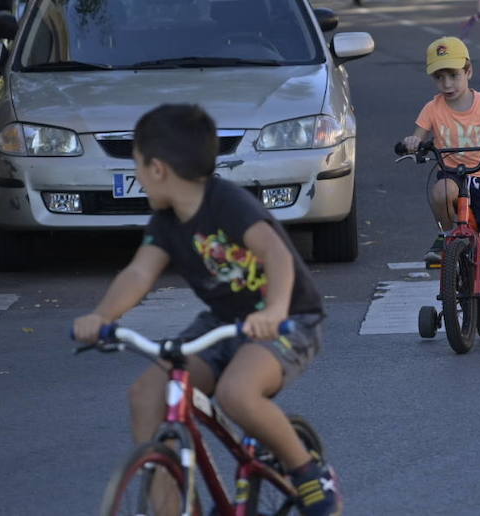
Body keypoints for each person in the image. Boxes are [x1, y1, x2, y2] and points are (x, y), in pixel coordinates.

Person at [71, 104, 341, 516]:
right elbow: (139, 273)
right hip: (223, 323)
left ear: (158, 168)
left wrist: (274, 310)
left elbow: (276, 254)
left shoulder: (227, 203)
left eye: (137, 165)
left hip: (287, 319)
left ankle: (308, 473)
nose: (137, 175)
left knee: (237, 393)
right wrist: (102, 316)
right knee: (148, 393)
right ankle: (170, 504)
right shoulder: (165, 222)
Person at [402, 37, 480, 312]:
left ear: (468, 71)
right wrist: (413, 142)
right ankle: (447, 235)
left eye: (453, 75)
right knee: (441, 191)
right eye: (439, 77)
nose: (447, 84)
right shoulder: (433, 108)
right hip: (453, 174)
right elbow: (417, 135)